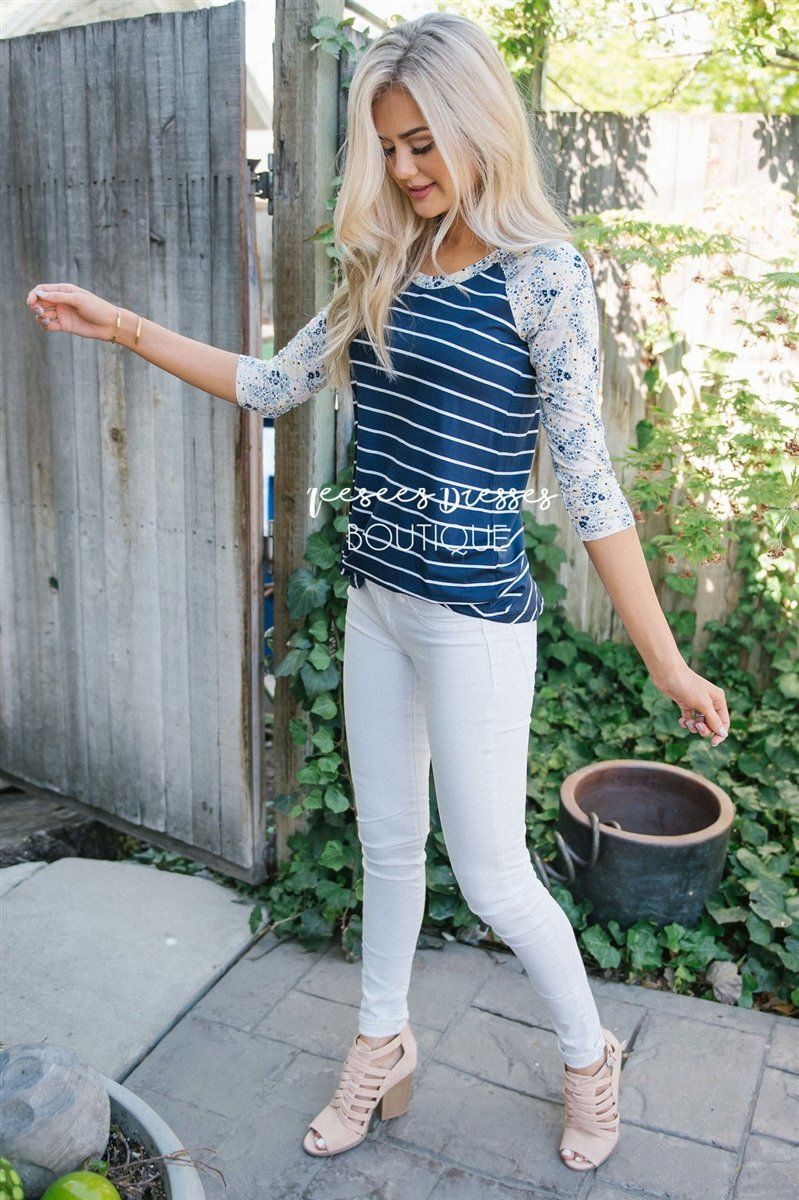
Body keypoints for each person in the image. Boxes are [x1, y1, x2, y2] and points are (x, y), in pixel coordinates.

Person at [25, 10, 730, 1175]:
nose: (404, 170)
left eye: (422, 144)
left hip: (474, 626)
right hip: (378, 604)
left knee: (495, 876)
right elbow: (269, 384)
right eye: (389, 147)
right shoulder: (387, 262)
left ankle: (587, 1054)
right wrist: (120, 328)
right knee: (388, 852)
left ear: (477, 128)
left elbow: (590, 484)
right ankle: (380, 1046)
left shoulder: (542, 276)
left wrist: (665, 659)